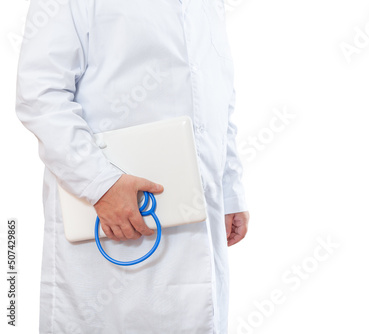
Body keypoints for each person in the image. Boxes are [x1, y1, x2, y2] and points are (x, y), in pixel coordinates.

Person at [15, 0, 250, 333]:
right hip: (109, 215)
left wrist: (228, 191)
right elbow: (39, 94)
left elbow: (216, 97)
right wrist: (101, 183)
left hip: (198, 217)